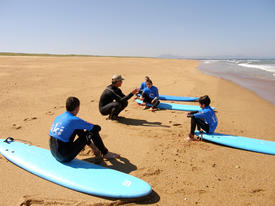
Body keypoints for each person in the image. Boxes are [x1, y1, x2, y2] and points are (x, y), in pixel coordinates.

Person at [49, 96, 119, 162]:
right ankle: (105, 153)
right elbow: (96, 128)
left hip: (54, 152)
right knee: (93, 130)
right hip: (64, 157)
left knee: (78, 128)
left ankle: (95, 149)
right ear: (77, 108)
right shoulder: (74, 120)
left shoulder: (59, 117)